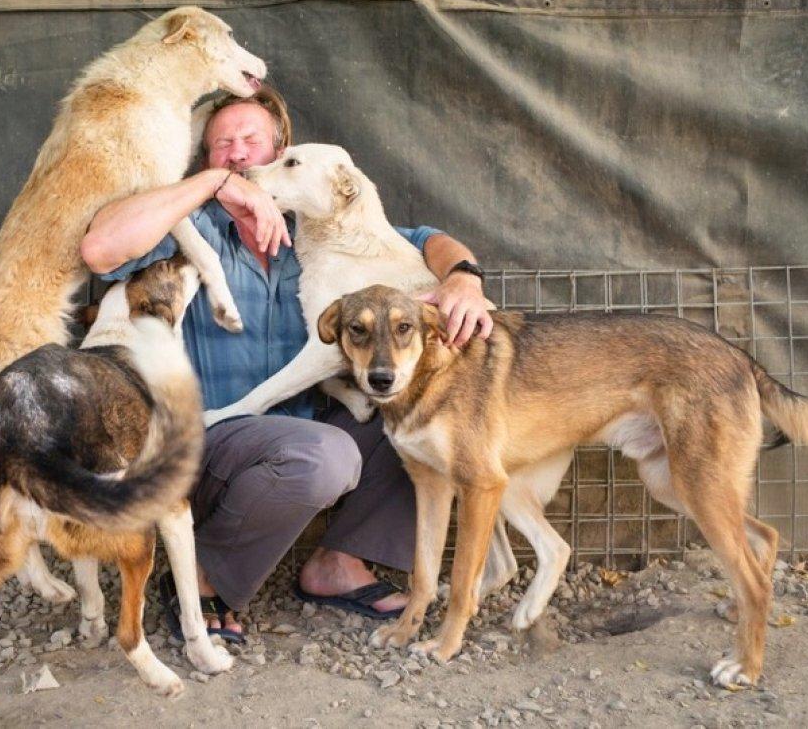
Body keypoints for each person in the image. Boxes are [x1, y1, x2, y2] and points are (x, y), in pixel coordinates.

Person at [80, 85, 500, 639]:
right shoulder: (192, 228)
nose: (236, 153)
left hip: (301, 426)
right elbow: (101, 248)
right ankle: (200, 577)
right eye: (220, 145)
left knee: (420, 410)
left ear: (280, 154)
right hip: (210, 435)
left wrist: (463, 277)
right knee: (323, 456)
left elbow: (425, 240)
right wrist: (210, 185)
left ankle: (337, 564)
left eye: (250, 141)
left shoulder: (315, 233)